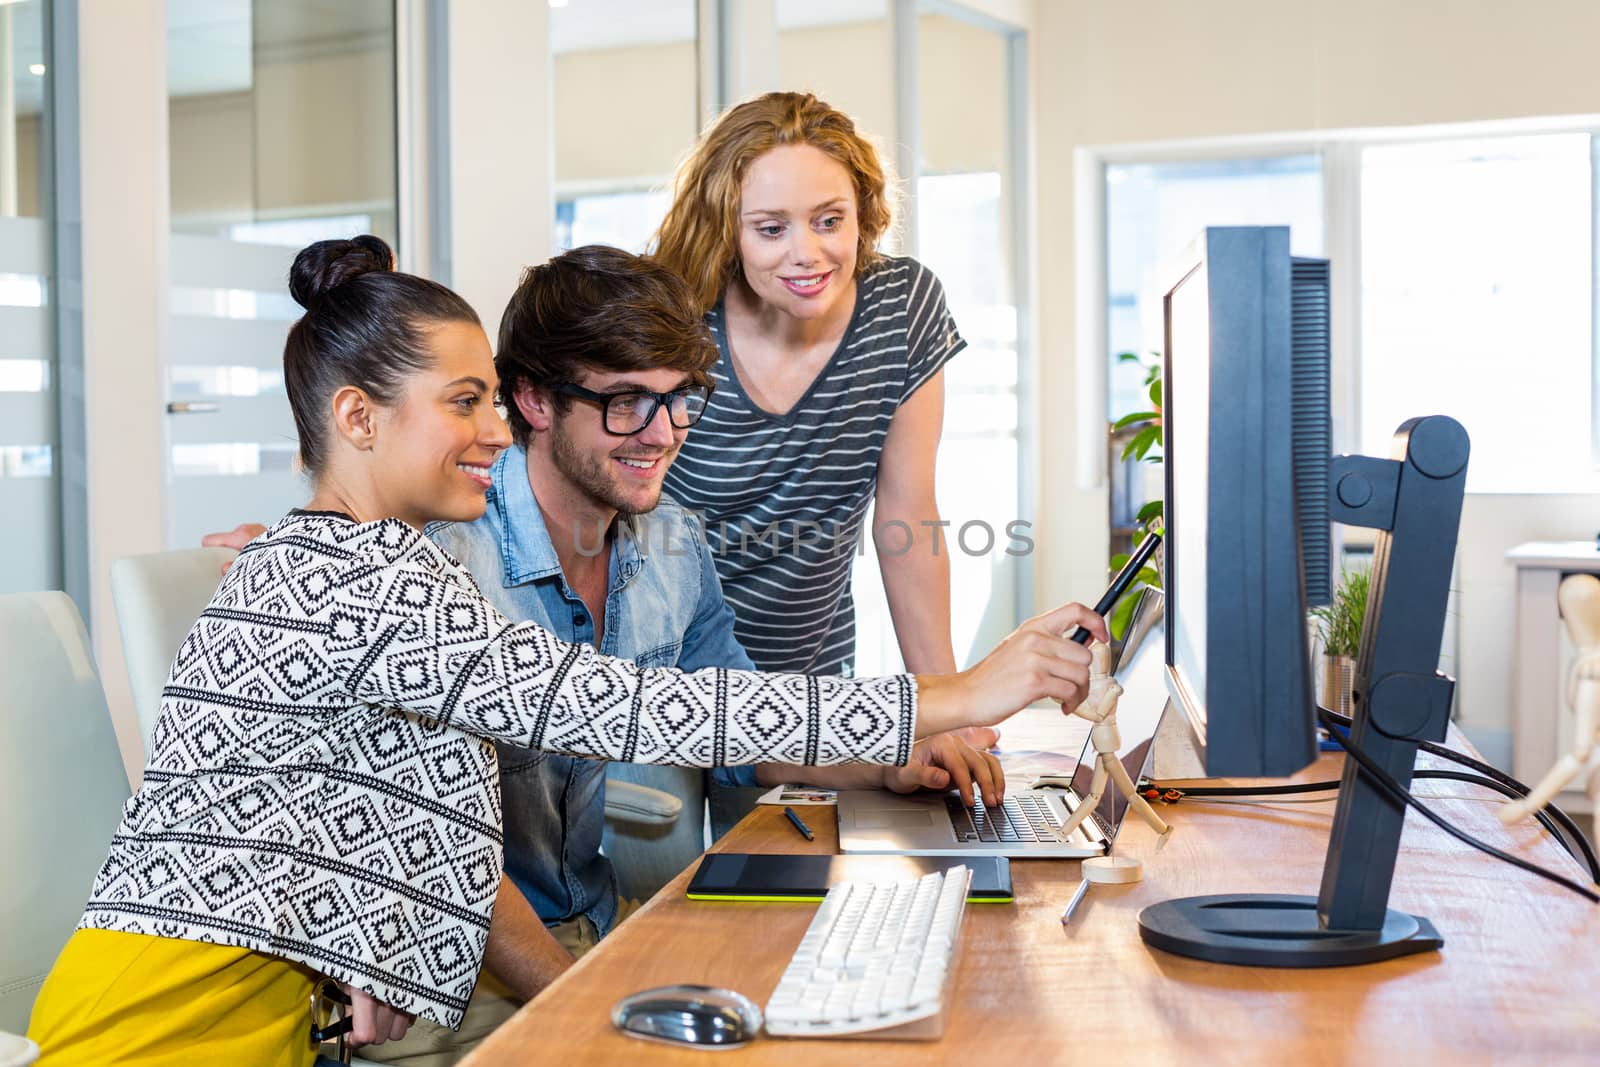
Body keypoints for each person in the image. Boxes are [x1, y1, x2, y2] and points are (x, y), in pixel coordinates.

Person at [28, 235, 1106, 1066]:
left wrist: (373, 942)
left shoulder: (370, 566)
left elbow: (358, 805)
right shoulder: (371, 576)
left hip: (278, 1020)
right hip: (160, 1027)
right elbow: (623, 707)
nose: (495, 432)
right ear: (357, 417)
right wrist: (958, 692)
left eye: (489, 399)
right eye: (466, 403)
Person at [650, 90, 976, 829]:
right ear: (728, 231)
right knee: (659, 903)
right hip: (662, 684)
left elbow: (907, 516)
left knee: (787, 901)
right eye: (771, 228)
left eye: (830, 219)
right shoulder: (674, 318)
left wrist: (945, 709)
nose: (808, 252)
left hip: (807, 688)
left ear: (863, 212)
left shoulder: (902, 307)